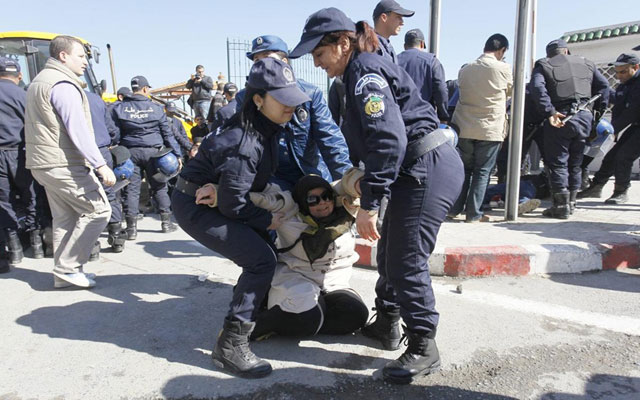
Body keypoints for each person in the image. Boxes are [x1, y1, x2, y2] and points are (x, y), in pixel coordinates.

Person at [290, 7, 464, 384]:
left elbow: (389, 140)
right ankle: (386, 323)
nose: (317, 64)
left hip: (425, 169)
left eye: (319, 55)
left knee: (405, 259)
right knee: (389, 252)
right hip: (413, 169)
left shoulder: (363, 72)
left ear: (341, 43)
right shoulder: (355, 72)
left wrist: (370, 203)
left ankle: (423, 345)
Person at [171, 58, 311, 378]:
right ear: (259, 100)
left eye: (291, 95)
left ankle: (254, 316)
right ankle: (230, 346)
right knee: (261, 259)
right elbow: (234, 206)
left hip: (214, 197)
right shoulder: (246, 142)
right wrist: (266, 219)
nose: (291, 105)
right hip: (195, 205)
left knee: (264, 249)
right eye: (282, 98)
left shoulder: (266, 126)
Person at [24, 35, 115, 289]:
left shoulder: (39, 81)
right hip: (62, 162)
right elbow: (78, 130)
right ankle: (68, 267)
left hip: (43, 162)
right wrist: (100, 164)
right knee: (98, 210)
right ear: (63, 56)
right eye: (80, 56)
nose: (84, 62)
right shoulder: (62, 84)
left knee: (66, 218)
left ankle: (64, 273)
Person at [236, 35, 352, 191]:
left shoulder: (310, 94)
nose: (262, 64)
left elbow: (330, 138)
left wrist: (348, 181)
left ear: (285, 62)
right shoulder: (244, 99)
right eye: (257, 60)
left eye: (267, 58)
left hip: (310, 176)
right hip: (270, 183)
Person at [530, 39, 609, 218]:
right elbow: (604, 87)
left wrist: (549, 111)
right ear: (566, 51)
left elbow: (537, 87)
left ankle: (561, 207)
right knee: (576, 163)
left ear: (549, 54)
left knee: (557, 162)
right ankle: (572, 203)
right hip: (584, 117)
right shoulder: (587, 63)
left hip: (560, 117)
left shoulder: (544, 64)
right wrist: (596, 116)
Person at [449, 34, 513, 223]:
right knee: (482, 171)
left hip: (464, 126)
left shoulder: (465, 69)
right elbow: (510, 91)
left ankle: (454, 208)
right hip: (489, 128)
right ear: (502, 50)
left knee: (465, 170)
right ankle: (474, 214)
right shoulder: (503, 68)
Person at [111, 75, 181, 237]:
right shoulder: (156, 108)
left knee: (131, 189)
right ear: (144, 89)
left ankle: (131, 229)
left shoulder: (119, 108)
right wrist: (177, 155)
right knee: (159, 186)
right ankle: (166, 223)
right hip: (154, 153)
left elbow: (114, 134)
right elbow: (167, 134)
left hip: (130, 153)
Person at [578, 53, 640, 204]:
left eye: (623, 71)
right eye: (617, 72)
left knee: (623, 156)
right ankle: (596, 187)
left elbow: (632, 111)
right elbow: (619, 108)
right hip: (635, 125)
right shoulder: (624, 85)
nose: (619, 76)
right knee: (612, 156)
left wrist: (614, 129)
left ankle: (621, 191)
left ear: (636, 67)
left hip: (635, 122)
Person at [0, 57, 41, 266]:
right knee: (31, 195)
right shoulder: (24, 96)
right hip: (22, 152)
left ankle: (14, 248)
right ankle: (36, 245)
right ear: (19, 75)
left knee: (3, 200)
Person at [86, 90, 126, 253]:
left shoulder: (58, 94)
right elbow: (112, 129)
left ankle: (92, 245)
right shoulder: (95, 99)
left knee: (83, 197)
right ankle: (116, 237)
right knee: (108, 192)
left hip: (74, 153)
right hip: (101, 150)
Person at [397, 28, 449, 123]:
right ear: (422, 44)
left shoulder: (393, 61)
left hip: (398, 121)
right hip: (423, 121)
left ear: (405, 46)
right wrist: (443, 116)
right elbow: (441, 90)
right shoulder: (431, 61)